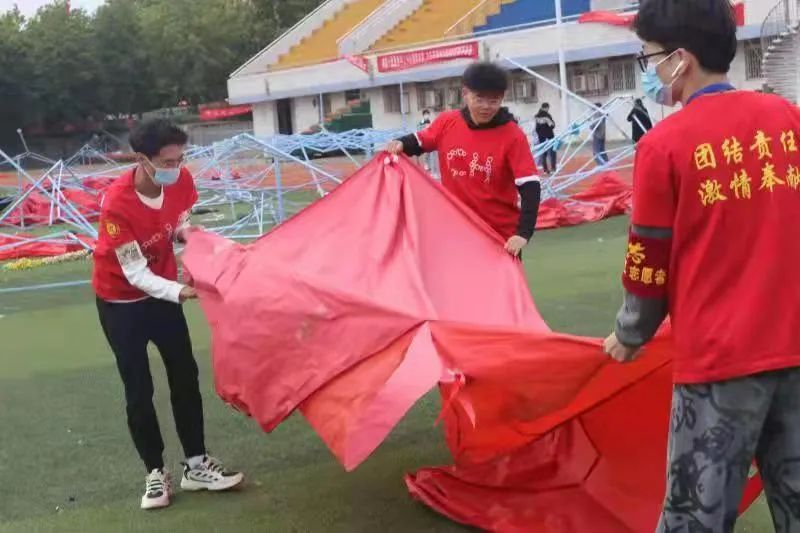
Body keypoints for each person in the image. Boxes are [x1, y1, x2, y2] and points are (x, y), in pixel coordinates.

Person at [602, 0, 800, 531]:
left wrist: (630, 333)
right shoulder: (788, 121)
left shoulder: (663, 146)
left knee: (696, 516)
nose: (649, 72)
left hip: (719, 366)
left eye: (649, 59)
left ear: (679, 60)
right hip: (794, 346)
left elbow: (648, 261)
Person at [92, 119, 244, 510]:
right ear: (142, 160)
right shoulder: (117, 203)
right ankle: (155, 473)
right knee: (138, 389)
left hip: (162, 296)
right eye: (166, 162)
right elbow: (134, 274)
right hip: (121, 303)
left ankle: (196, 465)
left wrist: (187, 234)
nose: (175, 168)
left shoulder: (181, 180)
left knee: (185, 376)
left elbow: (177, 220)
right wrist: (181, 291)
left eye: (180, 159)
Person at [386, 62, 541, 257]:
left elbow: (530, 186)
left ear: (502, 98)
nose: (486, 106)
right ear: (465, 94)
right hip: (457, 232)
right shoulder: (447, 122)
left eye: (493, 101)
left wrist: (523, 233)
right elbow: (420, 141)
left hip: (500, 237)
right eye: (479, 99)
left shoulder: (513, 135)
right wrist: (400, 143)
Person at [535, 102, 557, 174]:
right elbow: (552, 125)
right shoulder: (547, 116)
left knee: (543, 153)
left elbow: (537, 128)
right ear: (547, 107)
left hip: (541, 137)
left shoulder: (537, 116)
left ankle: (545, 169)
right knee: (552, 152)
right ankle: (553, 168)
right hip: (549, 136)